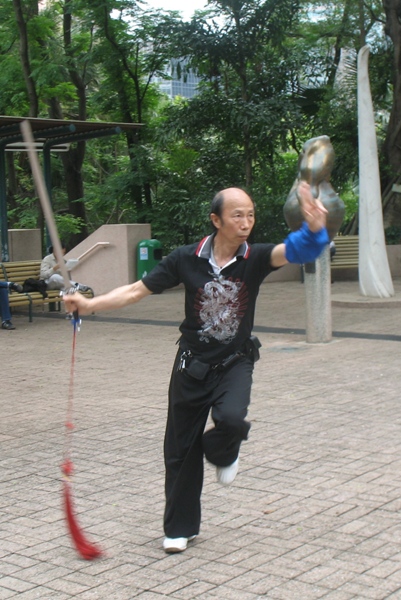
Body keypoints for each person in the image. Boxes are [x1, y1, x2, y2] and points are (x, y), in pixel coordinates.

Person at [64, 182, 328, 554]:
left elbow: (299, 250)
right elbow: (136, 291)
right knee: (179, 451)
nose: (246, 221)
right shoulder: (186, 258)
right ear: (216, 219)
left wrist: (315, 228)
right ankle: (180, 528)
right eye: (237, 214)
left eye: (250, 214)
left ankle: (224, 451)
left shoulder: (256, 257)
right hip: (191, 367)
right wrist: (89, 306)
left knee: (232, 420)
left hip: (235, 364)